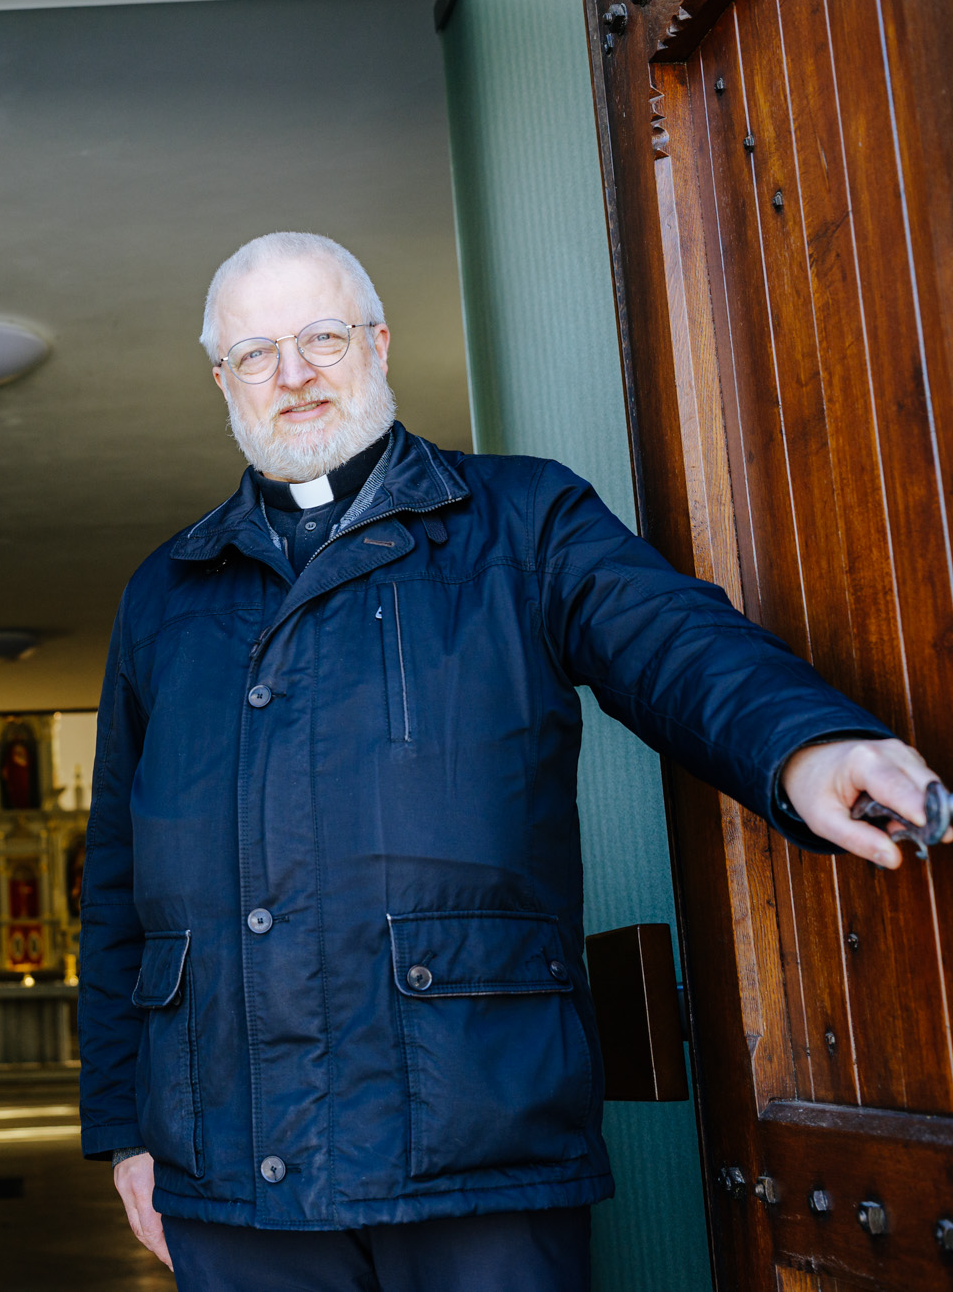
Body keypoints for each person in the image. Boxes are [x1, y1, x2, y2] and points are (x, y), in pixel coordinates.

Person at [78, 233, 944, 1291]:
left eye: (321, 337)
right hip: (227, 1165)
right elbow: (116, 879)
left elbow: (669, 641)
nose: (293, 374)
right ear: (221, 379)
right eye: (255, 353)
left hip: (473, 1144)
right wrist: (123, 1129)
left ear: (378, 343)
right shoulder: (163, 593)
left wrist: (805, 746)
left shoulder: (520, 517)